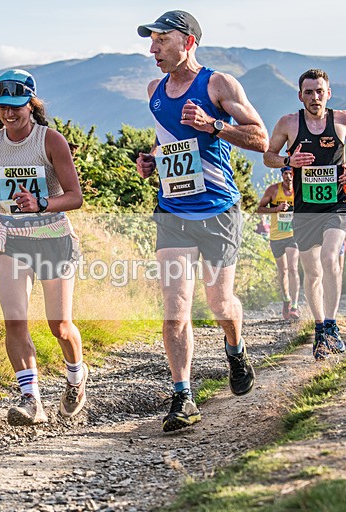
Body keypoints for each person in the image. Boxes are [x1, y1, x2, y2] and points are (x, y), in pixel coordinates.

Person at [135, 10, 269, 432]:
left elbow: (261, 138)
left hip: (218, 210)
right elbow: (169, 143)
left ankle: (236, 348)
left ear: (187, 41)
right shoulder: (155, 89)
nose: (152, 49)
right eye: (151, 41)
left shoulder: (218, 84)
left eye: (160, 40)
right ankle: (182, 396)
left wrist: (214, 125)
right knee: (175, 306)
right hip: (173, 211)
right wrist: (152, 162)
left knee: (219, 305)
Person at [0, 69, 87, 425]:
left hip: (54, 239)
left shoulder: (50, 141)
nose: (9, 114)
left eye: (16, 107)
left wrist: (41, 203)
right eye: (1, 108)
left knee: (59, 325)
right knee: (14, 320)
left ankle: (76, 376)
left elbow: (75, 197)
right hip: (11, 239)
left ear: (31, 104)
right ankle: (31, 400)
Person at [263, 69, 346, 360]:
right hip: (305, 209)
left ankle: (332, 326)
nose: (315, 97)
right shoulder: (288, 124)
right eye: (309, 92)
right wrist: (287, 160)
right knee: (312, 271)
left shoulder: (343, 119)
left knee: (330, 258)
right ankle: (320, 330)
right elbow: (268, 155)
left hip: (337, 205)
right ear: (300, 96)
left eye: (320, 91)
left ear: (328, 93)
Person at [256, 166, 301, 320]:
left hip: (293, 235)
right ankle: (286, 298)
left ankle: (294, 306)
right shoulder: (273, 190)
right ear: (282, 175)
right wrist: (276, 209)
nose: (288, 177)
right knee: (282, 271)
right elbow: (259, 209)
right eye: (285, 174)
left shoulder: (299, 190)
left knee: (293, 268)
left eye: (290, 173)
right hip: (276, 236)